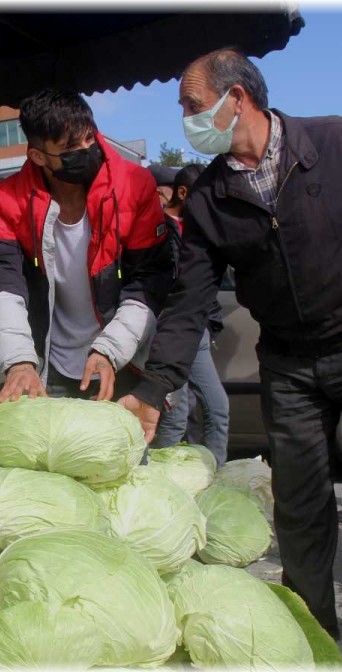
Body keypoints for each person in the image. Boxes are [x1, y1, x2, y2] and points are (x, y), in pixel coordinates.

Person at [117, 48, 342, 664]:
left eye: (193, 106)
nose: (187, 120)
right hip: (290, 362)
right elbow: (189, 300)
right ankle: (312, 619)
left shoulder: (335, 141)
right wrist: (156, 384)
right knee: (299, 504)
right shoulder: (210, 195)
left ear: (237, 98)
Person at [0, 88, 171, 403]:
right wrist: (19, 361)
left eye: (89, 138)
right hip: (51, 365)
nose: (86, 150)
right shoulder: (8, 199)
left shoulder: (133, 185)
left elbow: (148, 281)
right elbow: (3, 287)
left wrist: (109, 351)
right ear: (38, 156)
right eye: (70, 146)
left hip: (122, 359)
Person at [148, 164, 230, 465]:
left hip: (199, 329)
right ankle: (156, 476)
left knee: (215, 407)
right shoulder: (158, 230)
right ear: (183, 193)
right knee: (177, 416)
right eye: (204, 196)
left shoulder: (203, 228)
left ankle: (215, 474)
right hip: (172, 331)